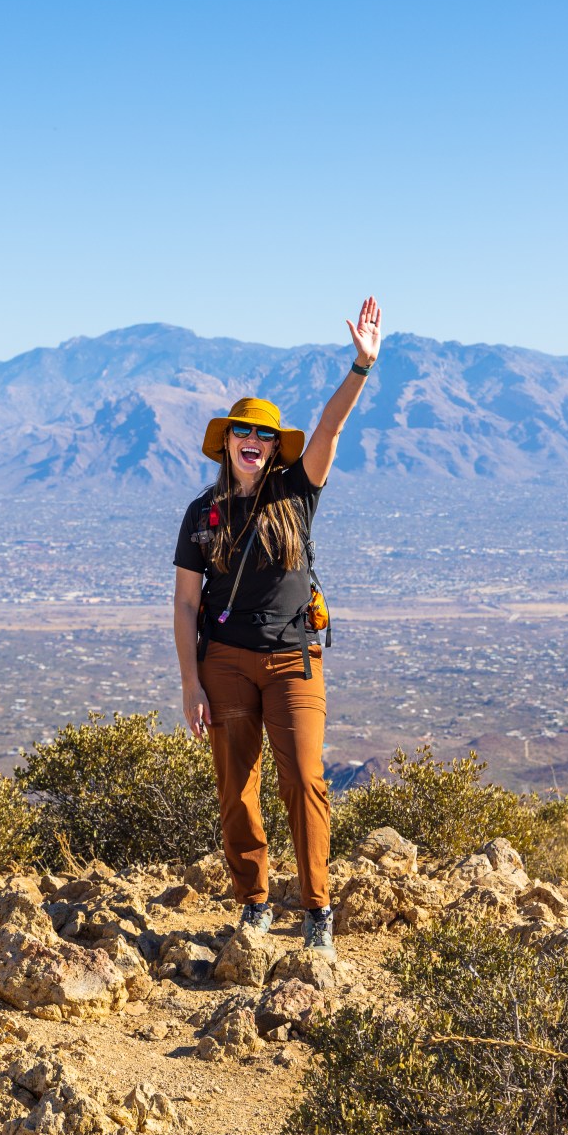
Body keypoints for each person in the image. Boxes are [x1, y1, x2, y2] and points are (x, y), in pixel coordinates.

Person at [173, 297, 383, 950]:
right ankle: (254, 901)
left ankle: (317, 908)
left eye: (265, 435)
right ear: (226, 441)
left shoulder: (298, 490)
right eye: (245, 432)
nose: (255, 443)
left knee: (304, 778)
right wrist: (190, 685)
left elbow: (329, 427)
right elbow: (184, 604)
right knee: (236, 789)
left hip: (294, 656)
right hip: (225, 664)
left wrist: (360, 365)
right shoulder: (201, 515)